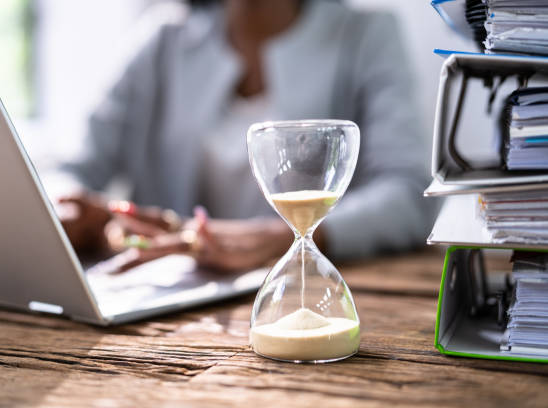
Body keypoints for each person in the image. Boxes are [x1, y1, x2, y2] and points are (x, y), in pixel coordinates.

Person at [56, 0, 434, 272]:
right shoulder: (163, 39)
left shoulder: (366, 36)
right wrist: (83, 214)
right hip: (159, 293)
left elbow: (407, 194)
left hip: (299, 279)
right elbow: (68, 168)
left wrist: (278, 237)